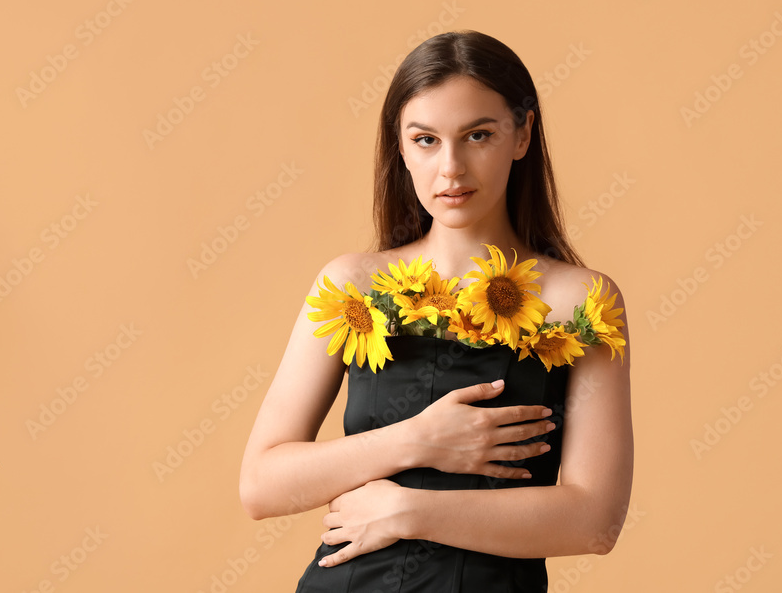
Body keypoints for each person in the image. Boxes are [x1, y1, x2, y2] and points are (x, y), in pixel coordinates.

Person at [239, 29, 633, 592]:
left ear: (522, 135)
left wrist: (408, 511)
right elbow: (260, 487)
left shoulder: (582, 302)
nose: (451, 168)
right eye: (425, 140)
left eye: (478, 135)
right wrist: (419, 440)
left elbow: (595, 522)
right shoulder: (351, 283)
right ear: (400, 147)